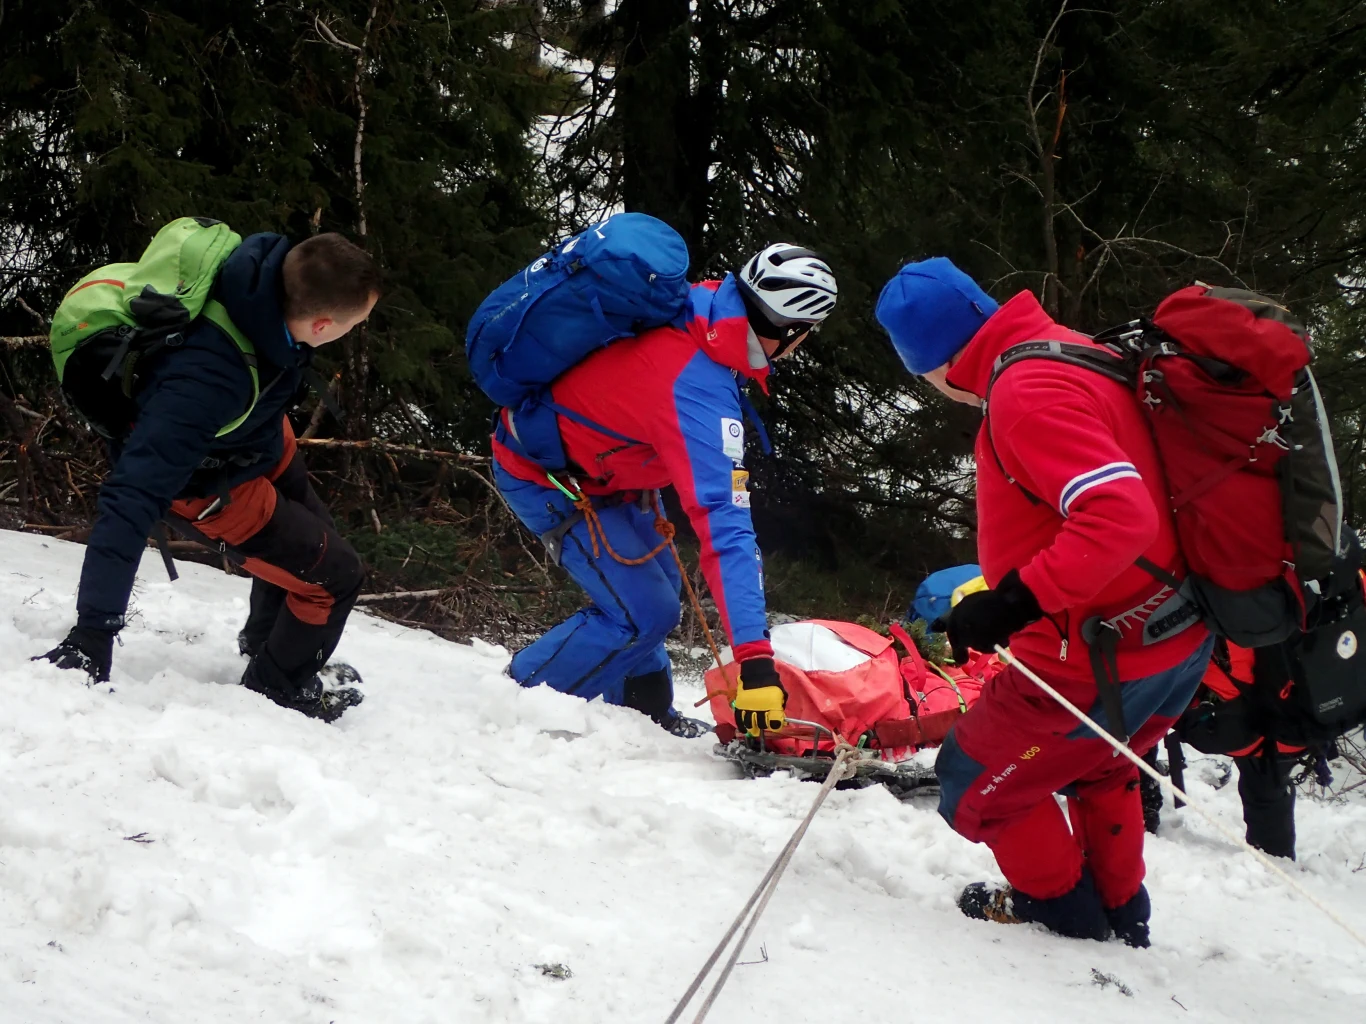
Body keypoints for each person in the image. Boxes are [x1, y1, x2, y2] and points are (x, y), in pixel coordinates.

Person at [876, 257, 1212, 947]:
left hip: (1097, 656)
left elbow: (1118, 513)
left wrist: (1012, 603)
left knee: (972, 782)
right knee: (1101, 764)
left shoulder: (1024, 389)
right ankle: (1125, 915)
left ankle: (1062, 914)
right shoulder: (1076, 351)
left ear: (934, 365)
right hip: (1171, 637)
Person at [491, 244, 837, 736]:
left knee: (656, 595)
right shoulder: (698, 384)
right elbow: (726, 525)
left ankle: (641, 717)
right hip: (548, 476)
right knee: (643, 612)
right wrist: (756, 664)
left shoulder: (704, 309)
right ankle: (515, 700)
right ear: (791, 331)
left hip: (612, 476)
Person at [39, 230, 381, 722]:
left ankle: (268, 646)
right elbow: (132, 494)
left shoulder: (262, 281)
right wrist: (93, 633)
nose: (356, 330)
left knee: (316, 541)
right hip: (206, 484)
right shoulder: (205, 381)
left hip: (254, 436)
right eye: (356, 324)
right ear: (324, 325)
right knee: (337, 577)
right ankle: (275, 688)